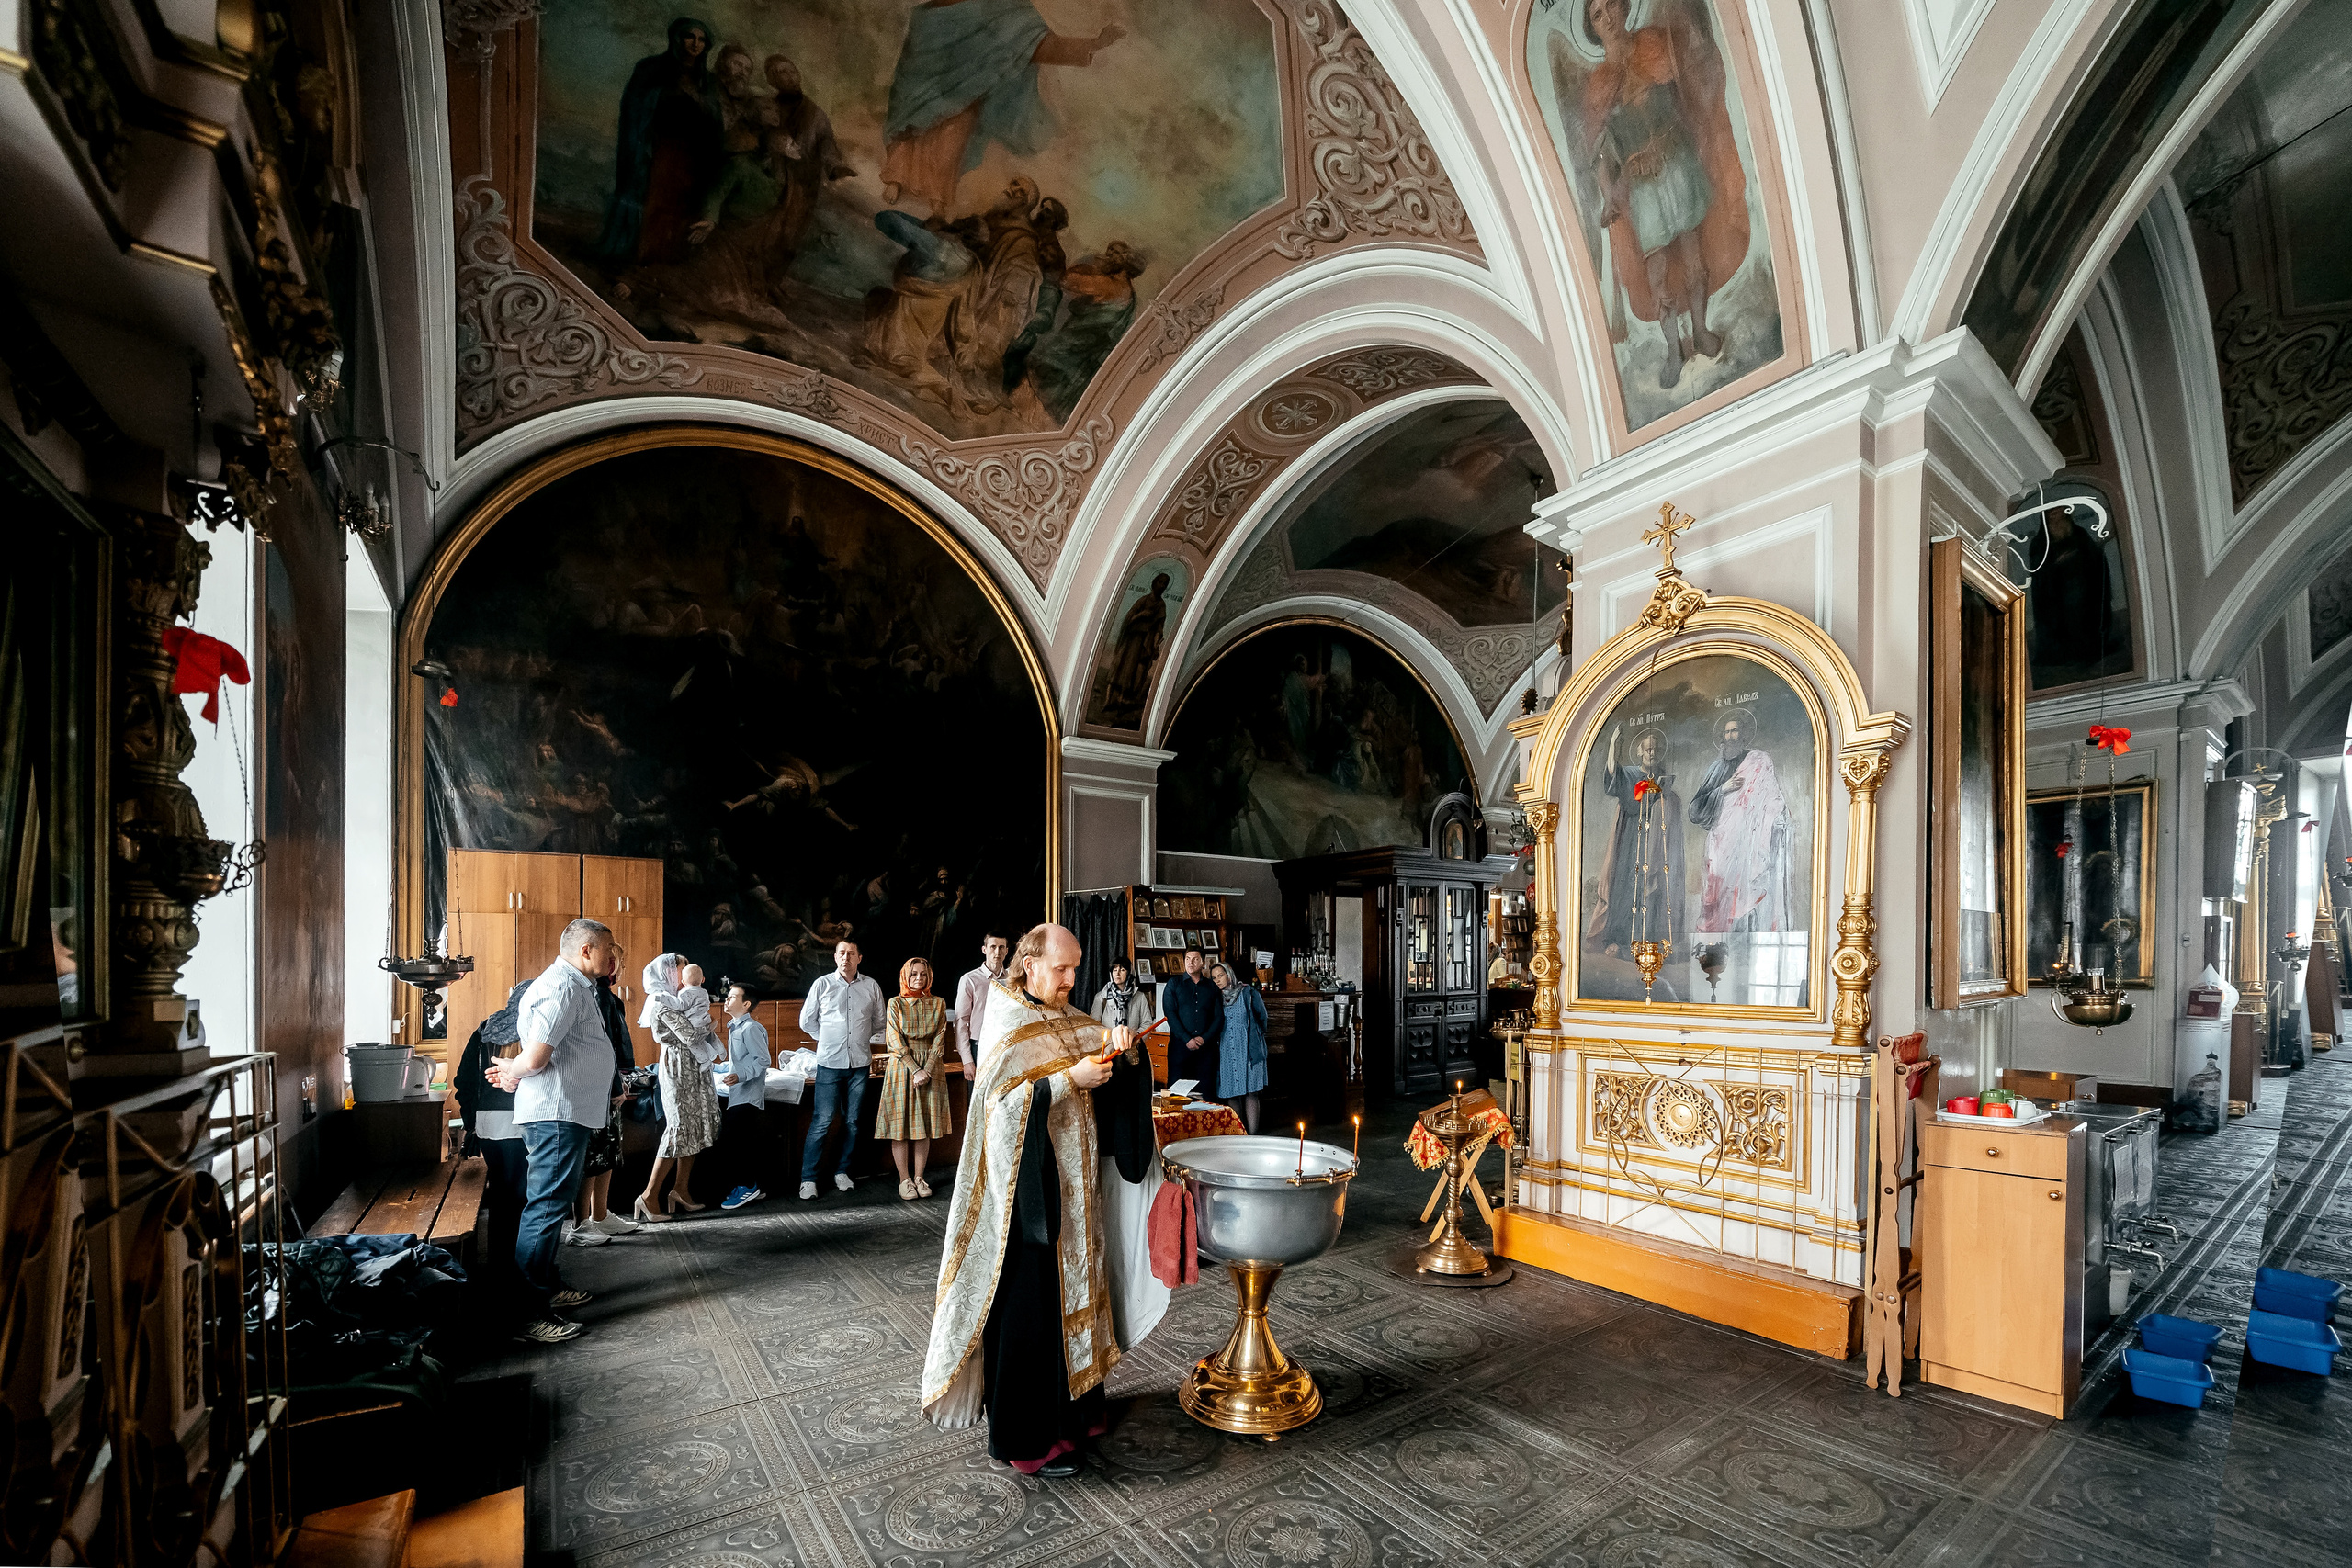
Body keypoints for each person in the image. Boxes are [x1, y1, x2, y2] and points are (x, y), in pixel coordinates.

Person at [921, 923, 1168, 1475]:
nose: (1072, 979)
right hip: (1026, 1199)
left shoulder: (1069, 1019)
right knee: (1031, 1314)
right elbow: (998, 1113)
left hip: (1077, 1197)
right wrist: (1065, 1082)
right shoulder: (1006, 1023)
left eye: (1076, 967)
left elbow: (1103, 1066)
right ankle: (1030, 1442)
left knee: (1074, 1303)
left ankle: (1078, 1415)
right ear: (1029, 964)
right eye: (1062, 968)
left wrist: (1123, 1054)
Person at [485, 918, 618, 1345]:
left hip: (566, 1111)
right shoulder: (561, 987)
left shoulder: (576, 985)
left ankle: (547, 1286)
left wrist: (515, 1071)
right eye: (608, 949)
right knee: (545, 1210)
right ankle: (528, 1312)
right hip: (556, 1115)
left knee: (551, 1206)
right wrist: (514, 1069)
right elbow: (536, 1057)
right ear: (586, 950)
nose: (613, 957)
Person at [878, 0, 1125, 211]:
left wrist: (1094, 44)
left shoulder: (1001, 8)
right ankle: (896, 178)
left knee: (953, 139)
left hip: (966, 90)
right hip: (924, 74)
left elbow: (1034, 42)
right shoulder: (928, 16)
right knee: (912, 123)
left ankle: (937, 198)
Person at [598, 17, 723, 265]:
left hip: (692, 156)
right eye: (690, 37)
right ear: (677, 38)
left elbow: (715, 121)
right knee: (652, 201)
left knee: (679, 207)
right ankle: (635, 255)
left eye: (701, 40)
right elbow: (635, 107)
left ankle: (664, 258)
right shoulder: (651, 68)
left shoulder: (707, 80)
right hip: (657, 148)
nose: (695, 44)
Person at [454, 979, 532, 1318]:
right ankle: (519, 1278)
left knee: (501, 1198)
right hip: (524, 1122)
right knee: (524, 1203)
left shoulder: (486, 1028)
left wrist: (471, 1120)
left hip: (487, 1125)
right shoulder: (534, 1026)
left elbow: (463, 1080)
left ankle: (500, 1270)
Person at [634, 953, 725, 1219]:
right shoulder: (661, 1002)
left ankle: (681, 1190)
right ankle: (649, 1195)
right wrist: (711, 1023)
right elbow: (690, 1035)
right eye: (680, 974)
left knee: (694, 1125)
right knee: (679, 1127)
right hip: (677, 1066)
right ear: (669, 974)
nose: (684, 980)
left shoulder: (683, 998)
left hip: (693, 1064)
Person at [1687, 709, 1792, 933]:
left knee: (1747, 891)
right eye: (1726, 732)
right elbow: (1695, 809)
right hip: (1721, 843)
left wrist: (1777, 818)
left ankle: (1744, 938)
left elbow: (1772, 797)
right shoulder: (1716, 769)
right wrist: (1721, 790)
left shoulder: (1758, 761)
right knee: (1717, 892)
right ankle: (1715, 942)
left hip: (1749, 841)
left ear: (1744, 735)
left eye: (1734, 731)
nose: (1730, 736)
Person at [569, 940, 645, 1246]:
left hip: (607, 1083)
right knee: (593, 1156)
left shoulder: (608, 997)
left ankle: (601, 1215)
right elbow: (599, 1046)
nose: (620, 968)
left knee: (609, 1153)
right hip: (593, 1087)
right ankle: (580, 1224)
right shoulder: (595, 996)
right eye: (617, 962)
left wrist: (618, 1079)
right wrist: (613, 1083)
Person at [1590, 722, 1686, 956]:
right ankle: (1620, 940)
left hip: (1655, 843)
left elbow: (1670, 804)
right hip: (1632, 840)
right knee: (1627, 887)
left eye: (1655, 749)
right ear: (1640, 752)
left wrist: (1665, 799)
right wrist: (1613, 745)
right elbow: (1613, 775)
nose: (1652, 753)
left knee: (1654, 890)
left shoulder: (1662, 777)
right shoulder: (1631, 774)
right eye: (1648, 749)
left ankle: (1650, 940)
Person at [800, 939, 884, 1198]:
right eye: (841, 953)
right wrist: (827, 1038)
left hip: (860, 1065)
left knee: (853, 1122)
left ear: (860, 958)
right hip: (829, 1064)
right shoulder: (822, 984)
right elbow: (807, 1022)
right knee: (822, 1121)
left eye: (851, 953)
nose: (846, 957)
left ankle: (842, 1171)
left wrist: (859, 1039)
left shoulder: (871, 986)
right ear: (835, 957)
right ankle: (808, 1179)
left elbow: (879, 1022)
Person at [877, 956, 955, 1200]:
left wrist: (927, 1070)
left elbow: (940, 1038)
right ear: (905, 976)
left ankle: (920, 1177)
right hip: (903, 1066)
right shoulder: (895, 1004)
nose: (919, 978)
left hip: (931, 1066)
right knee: (900, 1126)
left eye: (923, 974)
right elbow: (894, 1040)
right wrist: (915, 1069)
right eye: (914, 974)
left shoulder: (938, 1003)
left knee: (924, 1125)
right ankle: (905, 1180)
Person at [718, 982, 771, 1210]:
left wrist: (740, 1076)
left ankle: (748, 1187)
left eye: (732, 997)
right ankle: (751, 1186)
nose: (727, 1000)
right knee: (740, 1142)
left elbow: (763, 1060)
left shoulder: (750, 1028)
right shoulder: (736, 1027)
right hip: (738, 1094)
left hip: (747, 1096)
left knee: (737, 1143)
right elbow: (741, 1060)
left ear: (746, 1004)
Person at [1210, 962, 1269, 1132]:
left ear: (1229, 975)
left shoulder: (1248, 993)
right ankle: (1240, 1134)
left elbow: (1263, 1018)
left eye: (1220, 976)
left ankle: (1253, 1135)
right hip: (1226, 1051)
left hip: (1249, 1049)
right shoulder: (1215, 998)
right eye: (1213, 978)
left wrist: (1255, 1036)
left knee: (1251, 1092)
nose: (1217, 980)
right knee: (1232, 1093)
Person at [1159, 944, 1222, 1095]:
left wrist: (1204, 1038)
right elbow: (1170, 1014)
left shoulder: (1212, 987)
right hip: (1180, 1047)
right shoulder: (1173, 984)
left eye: (1195, 959)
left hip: (1206, 1049)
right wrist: (1187, 1039)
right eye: (1187, 959)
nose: (1190, 963)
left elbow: (1219, 1017)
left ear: (1203, 963)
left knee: (1207, 1094)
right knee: (1176, 1094)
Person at [953, 933, 1009, 1074]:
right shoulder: (969, 980)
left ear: (1007, 951)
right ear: (984, 949)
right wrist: (967, 1060)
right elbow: (961, 1021)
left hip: (1006, 1046)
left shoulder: (1013, 979)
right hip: (979, 1047)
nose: (997, 952)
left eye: (1001, 947)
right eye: (993, 947)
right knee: (977, 1089)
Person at [1091, 959, 1151, 1035]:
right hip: (1108, 1042)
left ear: (1129, 973)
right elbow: (1094, 1024)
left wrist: (1136, 1036)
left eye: (1122, 970)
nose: (1117, 974)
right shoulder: (1101, 997)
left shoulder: (1139, 997)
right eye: (1115, 970)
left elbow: (1147, 1023)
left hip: (1132, 1041)